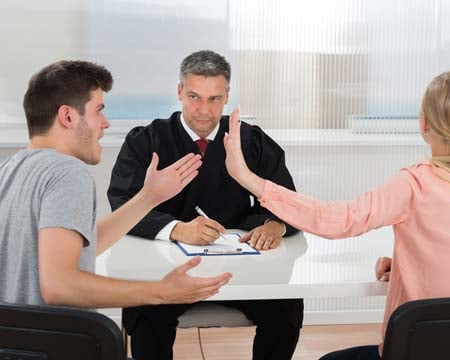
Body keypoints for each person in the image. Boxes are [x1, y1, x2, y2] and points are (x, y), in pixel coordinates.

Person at [223, 72, 450, 360]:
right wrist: (414, 261)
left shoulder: (414, 185)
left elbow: (335, 220)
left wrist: (247, 178)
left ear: (424, 124)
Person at [107, 50, 303, 360]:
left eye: (214, 99)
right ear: (179, 92)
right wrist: (176, 229)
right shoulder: (146, 140)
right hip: (165, 270)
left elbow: (288, 199)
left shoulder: (249, 140)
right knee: (146, 310)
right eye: (194, 97)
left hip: (239, 269)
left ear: (227, 95)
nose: (203, 110)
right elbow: (122, 204)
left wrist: (274, 225)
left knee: (286, 304)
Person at [0, 60, 232, 312]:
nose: (106, 122)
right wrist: (162, 292)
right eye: (98, 110)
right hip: (60, 341)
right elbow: (59, 285)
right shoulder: (67, 174)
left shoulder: (10, 169)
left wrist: (149, 198)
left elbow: (80, 248)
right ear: (67, 116)